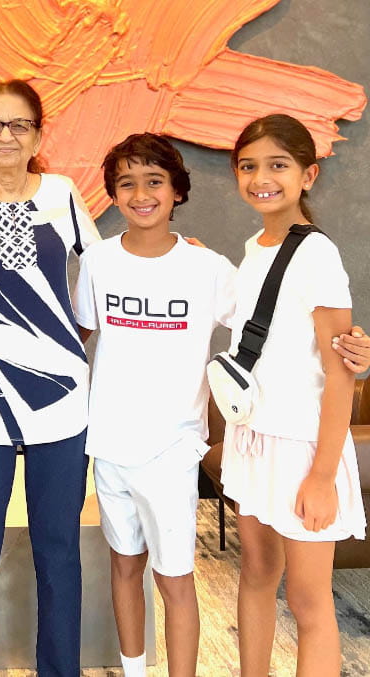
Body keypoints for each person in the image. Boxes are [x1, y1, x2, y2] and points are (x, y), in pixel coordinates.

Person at [0, 80, 100, 676]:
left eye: (19, 125)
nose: (6, 136)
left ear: (38, 134)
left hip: (61, 397)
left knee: (59, 551)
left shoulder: (63, 194)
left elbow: (101, 277)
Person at [73, 133, 235, 677]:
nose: (141, 194)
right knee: (124, 566)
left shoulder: (207, 267)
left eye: (154, 181)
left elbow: (262, 326)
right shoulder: (98, 262)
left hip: (172, 449)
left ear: (177, 191)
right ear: (114, 195)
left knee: (174, 578)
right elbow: (78, 337)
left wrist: (341, 338)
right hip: (110, 444)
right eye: (127, 184)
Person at [221, 114, 366, 677]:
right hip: (253, 438)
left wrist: (323, 476)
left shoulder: (316, 254)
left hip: (305, 447)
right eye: (248, 166)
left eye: (277, 165)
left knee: (309, 601)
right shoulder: (256, 246)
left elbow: (340, 372)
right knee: (256, 575)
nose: (261, 178)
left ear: (308, 175)